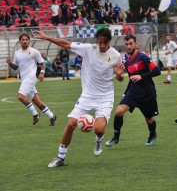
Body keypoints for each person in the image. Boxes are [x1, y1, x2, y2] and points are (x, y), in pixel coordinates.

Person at [33, 28, 125, 168]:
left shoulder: (116, 55)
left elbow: (120, 78)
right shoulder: (88, 49)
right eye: (99, 42)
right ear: (96, 40)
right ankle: (60, 157)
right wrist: (46, 37)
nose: (101, 46)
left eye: (104, 43)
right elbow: (66, 44)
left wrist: (119, 74)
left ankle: (99, 140)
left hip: (105, 97)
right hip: (87, 95)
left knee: (99, 129)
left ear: (109, 42)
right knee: (71, 124)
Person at [105, 35, 161, 147]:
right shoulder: (128, 62)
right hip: (134, 92)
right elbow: (131, 79)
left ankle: (152, 134)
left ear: (136, 44)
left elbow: (157, 71)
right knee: (119, 111)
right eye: (126, 44)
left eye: (131, 44)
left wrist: (141, 76)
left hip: (147, 93)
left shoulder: (143, 57)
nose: (129, 46)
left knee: (149, 118)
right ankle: (116, 137)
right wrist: (126, 91)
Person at [6, 33, 57, 126]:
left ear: (29, 41)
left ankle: (35, 114)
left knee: (20, 97)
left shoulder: (34, 51)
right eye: (23, 40)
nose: (25, 41)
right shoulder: (17, 53)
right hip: (24, 79)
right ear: (20, 41)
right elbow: (15, 67)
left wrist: (42, 73)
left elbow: (42, 63)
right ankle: (52, 116)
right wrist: (9, 63)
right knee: (37, 101)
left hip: (31, 78)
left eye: (26, 39)